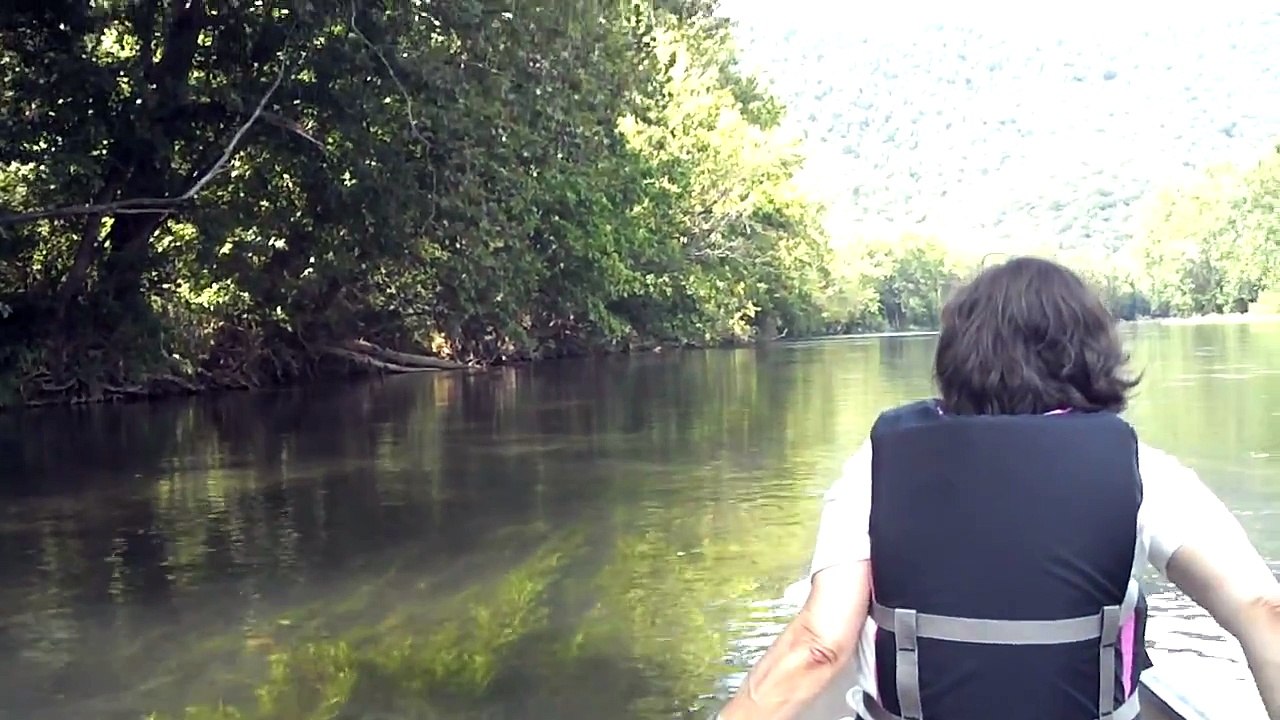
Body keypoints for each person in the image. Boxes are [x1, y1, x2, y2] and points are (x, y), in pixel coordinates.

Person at [718, 257, 1280, 720]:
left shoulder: (876, 465)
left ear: (957, 357)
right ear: (1092, 357)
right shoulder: (1141, 470)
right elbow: (1262, 609)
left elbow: (821, 646)